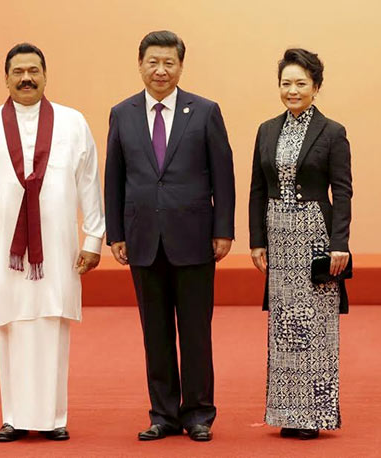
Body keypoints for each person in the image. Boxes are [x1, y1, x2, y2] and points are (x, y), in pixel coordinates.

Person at [0, 43, 105, 442]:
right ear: (5, 78)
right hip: (7, 252)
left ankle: (54, 417)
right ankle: (14, 416)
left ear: (45, 75)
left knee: (52, 327)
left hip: (58, 250)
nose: (26, 78)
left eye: (34, 70)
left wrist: (93, 237)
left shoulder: (72, 123)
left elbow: (88, 183)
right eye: (18, 71)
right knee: (12, 328)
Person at [104, 30, 235, 442]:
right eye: (153, 62)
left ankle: (197, 413)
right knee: (155, 332)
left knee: (195, 331)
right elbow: (115, 177)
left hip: (195, 237)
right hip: (142, 239)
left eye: (169, 63)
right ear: (140, 64)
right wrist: (116, 233)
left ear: (181, 65)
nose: (161, 70)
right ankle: (163, 414)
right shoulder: (121, 113)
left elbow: (223, 176)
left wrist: (224, 230)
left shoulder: (205, 111)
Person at [249, 48, 352, 439]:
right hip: (277, 235)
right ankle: (286, 413)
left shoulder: (332, 132)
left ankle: (314, 415)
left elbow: (342, 192)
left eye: (301, 83)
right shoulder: (266, 130)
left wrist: (339, 243)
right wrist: (257, 241)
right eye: (286, 83)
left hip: (315, 237)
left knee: (317, 326)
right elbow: (257, 190)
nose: (292, 90)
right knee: (284, 326)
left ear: (316, 87)